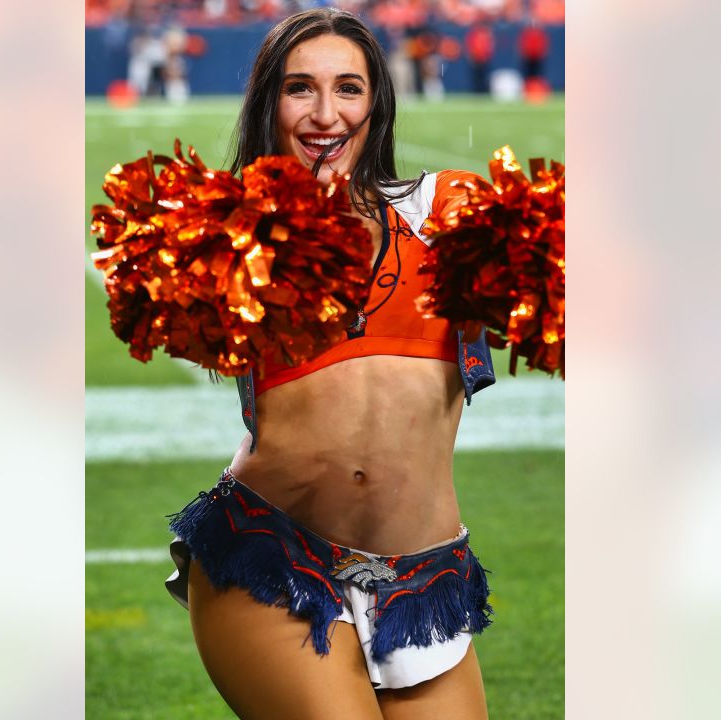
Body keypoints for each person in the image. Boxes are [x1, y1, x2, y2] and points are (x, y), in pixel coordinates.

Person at [163, 8, 497, 719]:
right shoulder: (235, 232)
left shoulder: (445, 211)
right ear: (269, 103)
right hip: (273, 561)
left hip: (425, 578)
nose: (325, 113)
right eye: (299, 89)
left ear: (376, 103)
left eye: (348, 88)